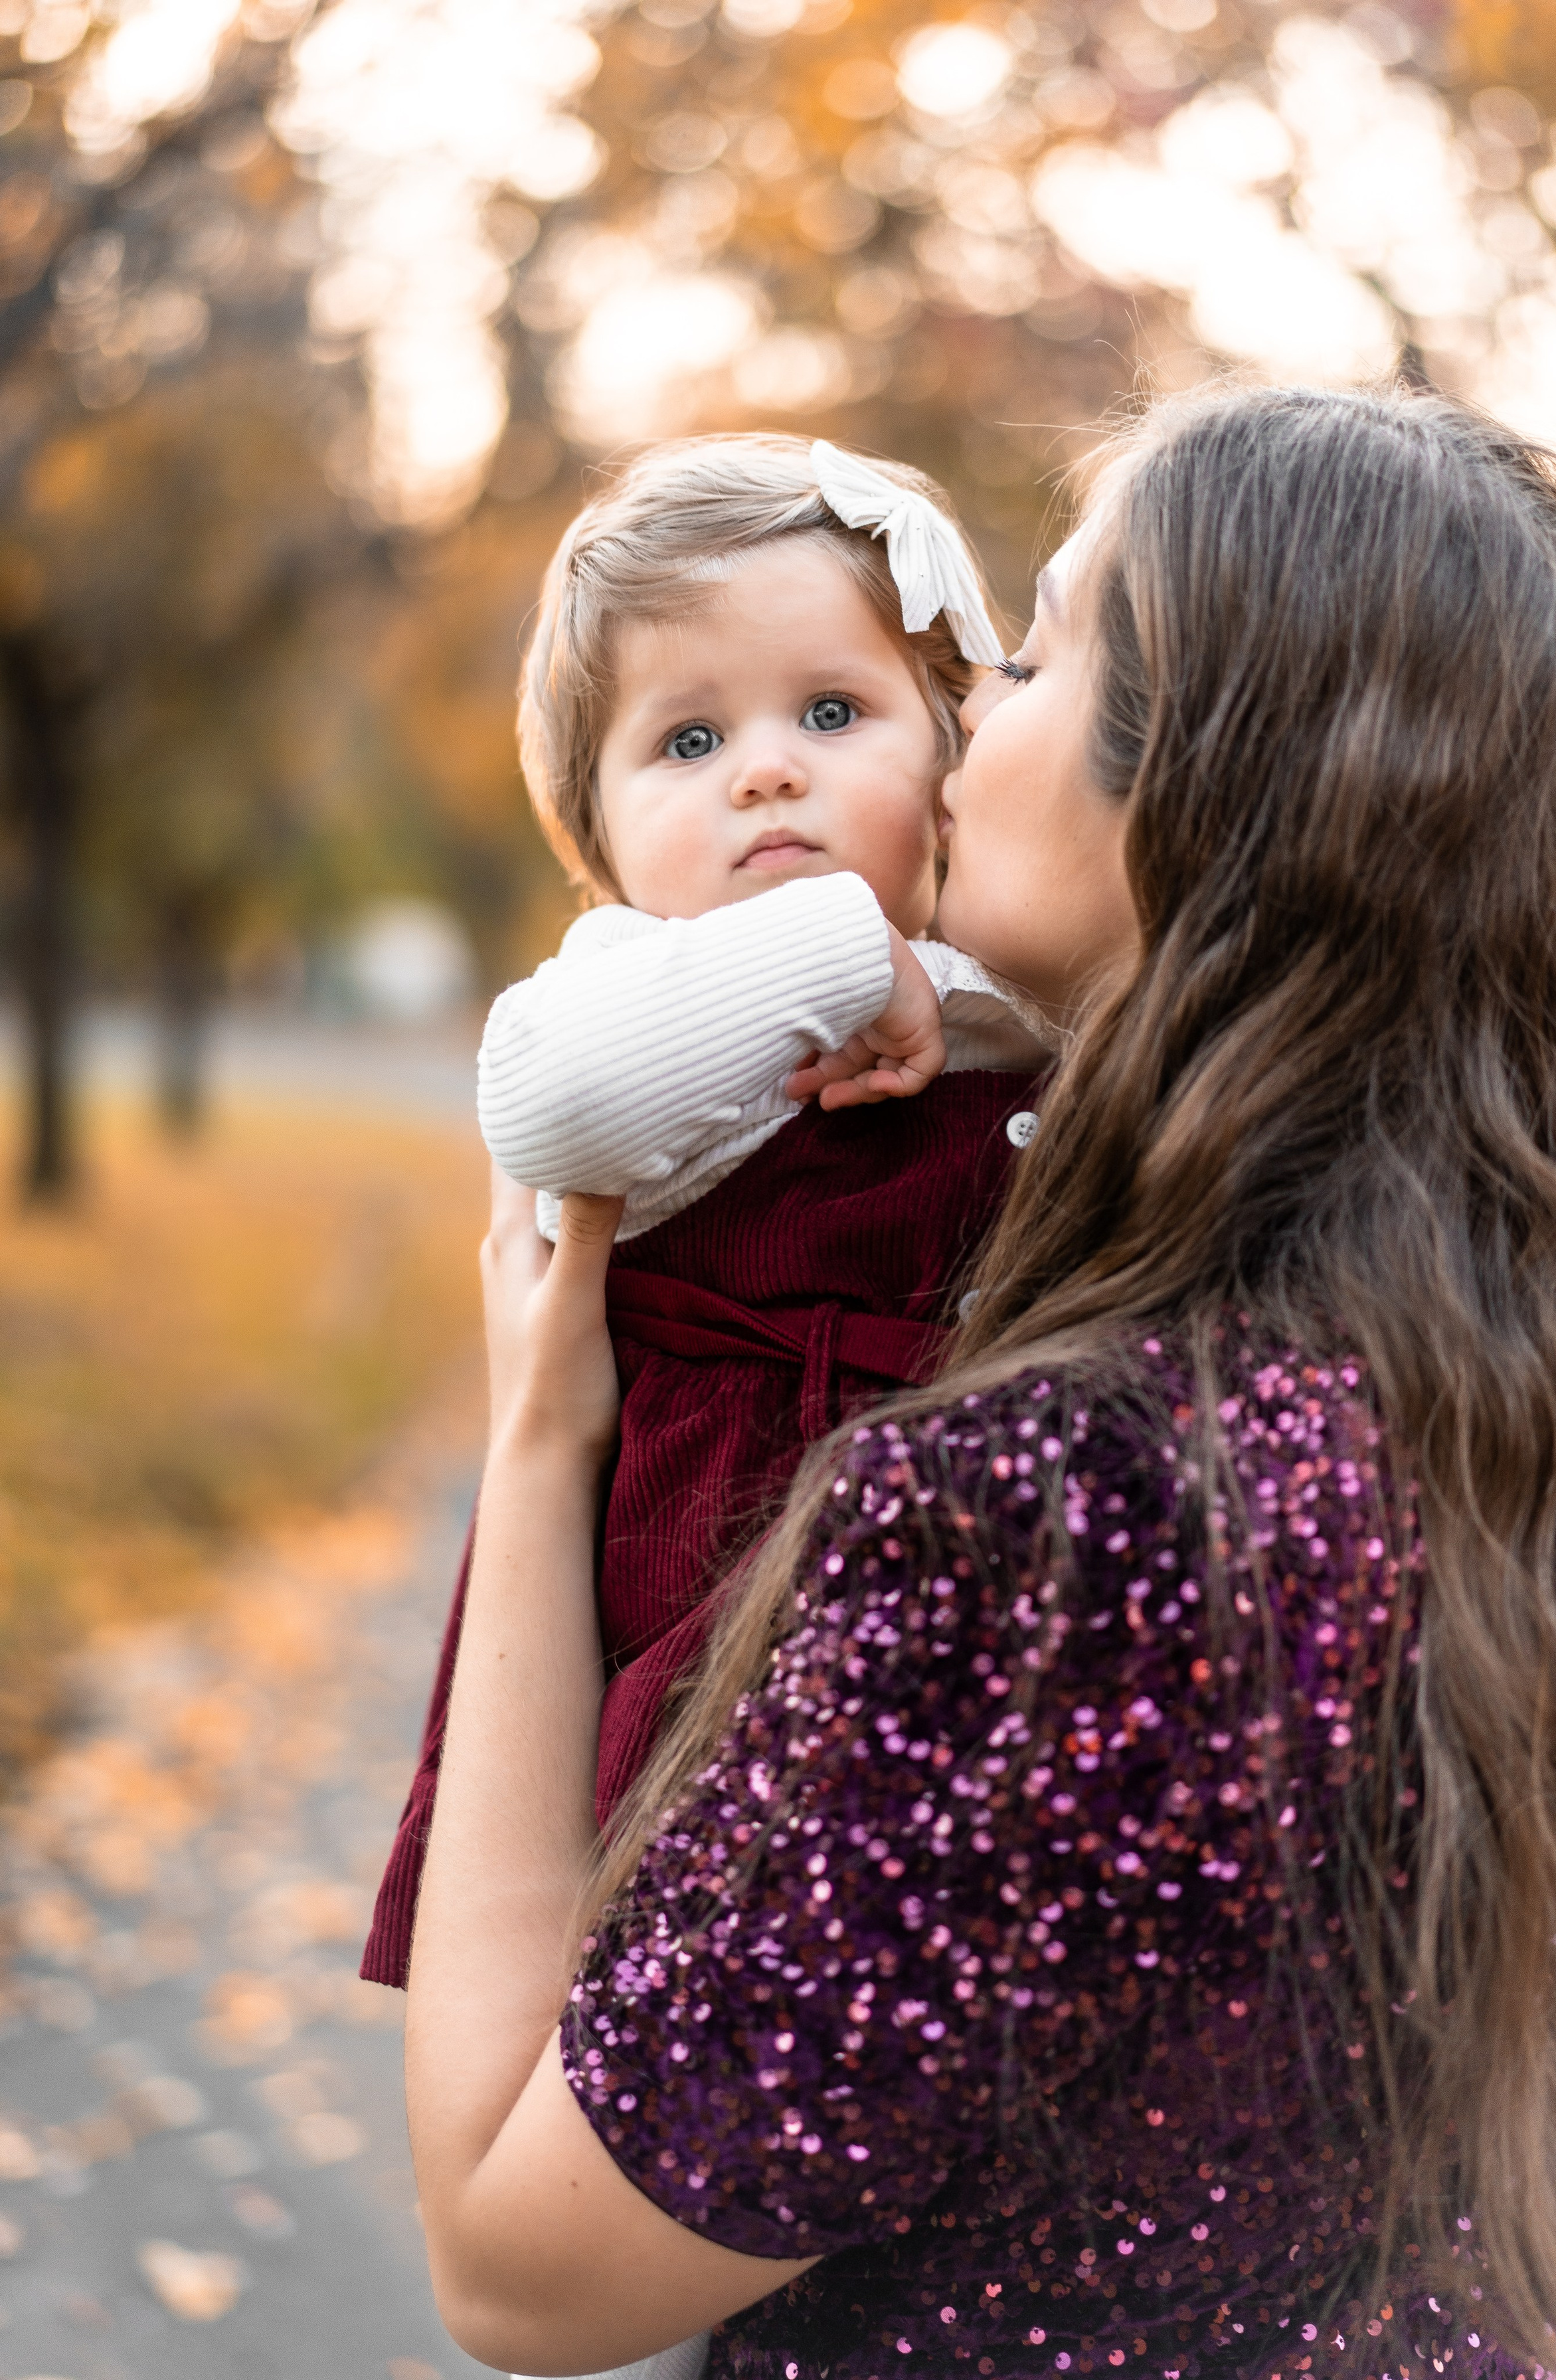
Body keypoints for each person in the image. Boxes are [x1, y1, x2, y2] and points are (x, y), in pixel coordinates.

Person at [404, 383, 1556, 2380]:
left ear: (1200, 786)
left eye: (1027, 656)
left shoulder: (1069, 1508)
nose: (966, 719)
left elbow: (516, 2268)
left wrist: (540, 1429)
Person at [363, 436, 1061, 1988]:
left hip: (947, 1635)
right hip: (696, 1609)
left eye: (831, 712)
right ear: (598, 835)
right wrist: (840, 949)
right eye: (686, 740)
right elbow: (549, 1108)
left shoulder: (1006, 993)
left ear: (952, 754)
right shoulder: (638, 981)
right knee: (666, 1986)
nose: (764, 770)